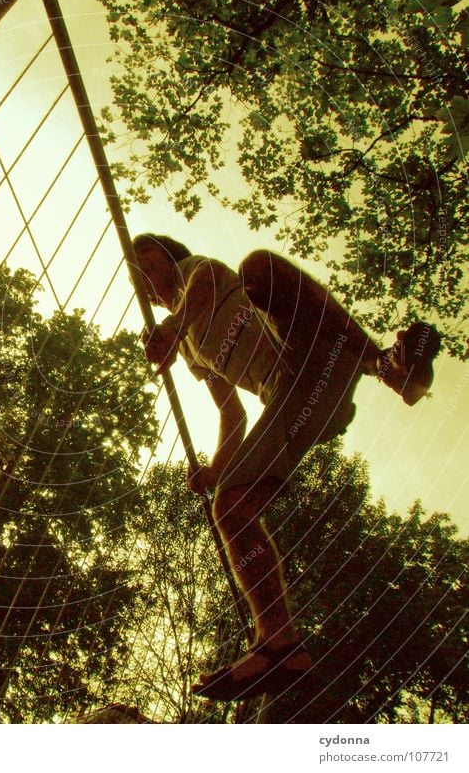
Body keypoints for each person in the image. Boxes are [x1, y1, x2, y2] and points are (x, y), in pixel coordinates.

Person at [133, 233, 441, 701]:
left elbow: (203, 286)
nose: (144, 286)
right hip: (296, 404)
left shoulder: (201, 271)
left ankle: (386, 367)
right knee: (231, 508)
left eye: (144, 266)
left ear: (163, 253)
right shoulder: (193, 352)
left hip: (311, 352)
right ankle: (281, 645)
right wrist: (215, 471)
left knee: (258, 266)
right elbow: (231, 416)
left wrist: (174, 328)